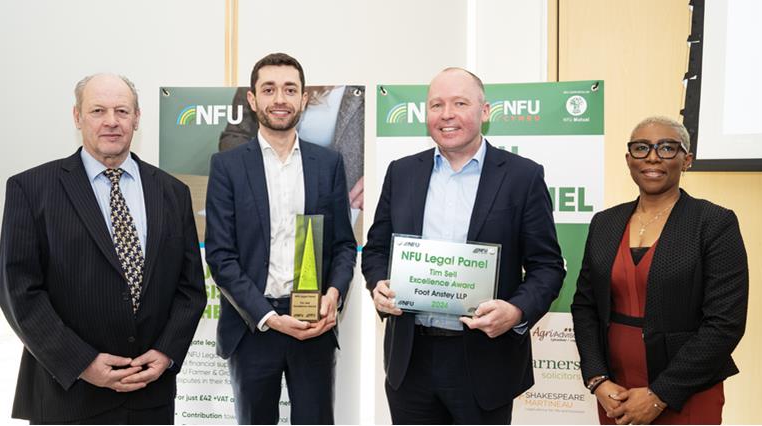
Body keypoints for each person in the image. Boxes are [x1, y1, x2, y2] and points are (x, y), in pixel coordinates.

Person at [0, 73, 207, 424]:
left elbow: (190, 288)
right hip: (68, 398)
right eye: (98, 110)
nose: (111, 121)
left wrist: (166, 352)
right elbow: (19, 293)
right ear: (77, 116)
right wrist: (81, 363)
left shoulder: (172, 192)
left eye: (122, 111)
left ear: (137, 118)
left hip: (150, 398)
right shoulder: (31, 189)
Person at [361, 67, 565, 424]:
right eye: (436, 104)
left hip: (485, 361)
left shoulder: (522, 176)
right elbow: (376, 249)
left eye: (460, 103)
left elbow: (547, 267)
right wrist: (378, 284)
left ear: (484, 111)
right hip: (411, 359)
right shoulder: (402, 172)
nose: (447, 114)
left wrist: (515, 312)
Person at [205, 53, 356, 424]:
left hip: (313, 324)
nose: (280, 99)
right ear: (253, 100)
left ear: (303, 98)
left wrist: (334, 295)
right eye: (269, 89)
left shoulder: (328, 164)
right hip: (254, 325)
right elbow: (221, 257)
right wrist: (269, 316)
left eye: (290, 89)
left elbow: (343, 246)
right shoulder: (228, 166)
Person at [571, 116, 748, 425]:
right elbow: (585, 306)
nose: (652, 157)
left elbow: (724, 324)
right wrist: (598, 379)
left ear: (686, 159)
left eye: (667, 148)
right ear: (629, 159)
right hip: (616, 392)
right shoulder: (605, 223)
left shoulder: (714, 223)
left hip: (687, 390)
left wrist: (660, 394)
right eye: (641, 148)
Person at [219, 84, 365, 210]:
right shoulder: (265, 69)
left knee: (310, 241)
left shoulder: (368, 83)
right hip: (266, 200)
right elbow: (235, 135)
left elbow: (383, 143)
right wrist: (250, 178)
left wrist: (377, 179)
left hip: (339, 204)